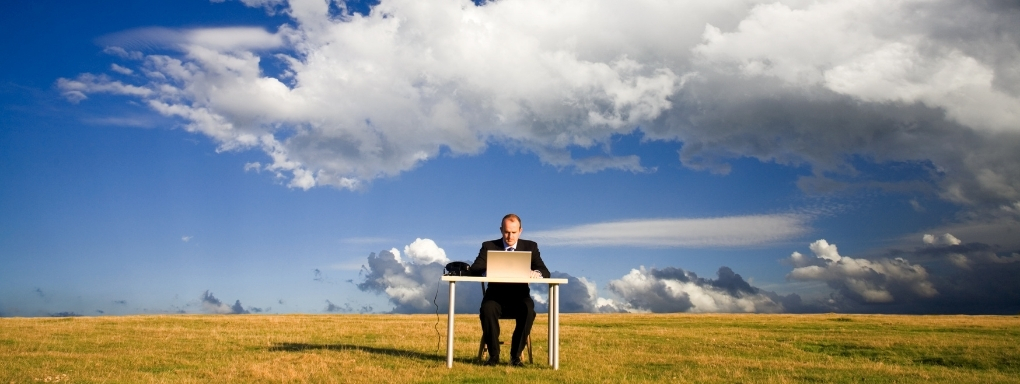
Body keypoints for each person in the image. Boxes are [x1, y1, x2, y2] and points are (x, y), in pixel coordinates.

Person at [470, 213, 550, 366]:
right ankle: (493, 357)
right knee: (487, 309)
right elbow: (475, 268)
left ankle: (515, 357)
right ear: (501, 230)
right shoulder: (489, 246)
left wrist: (536, 273)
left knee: (528, 310)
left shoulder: (530, 246)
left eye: (513, 232)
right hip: (495, 297)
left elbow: (545, 271)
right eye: (506, 232)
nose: (510, 236)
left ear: (520, 231)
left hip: (519, 298)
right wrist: (489, 271)